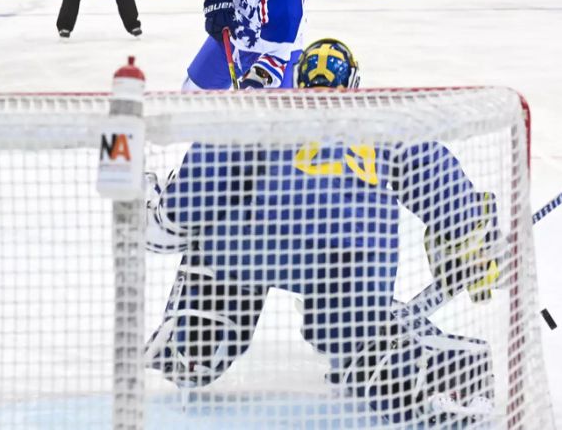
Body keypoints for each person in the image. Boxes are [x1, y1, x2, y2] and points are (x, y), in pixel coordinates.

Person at [145, 39, 500, 424]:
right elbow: (439, 180)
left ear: (298, 81)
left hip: (260, 242)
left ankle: (198, 341)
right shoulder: (384, 120)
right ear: (354, 84)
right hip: (357, 255)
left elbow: (201, 183)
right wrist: (472, 237)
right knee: (351, 334)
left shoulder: (267, 109)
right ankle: (444, 376)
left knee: (215, 253)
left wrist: (166, 213)